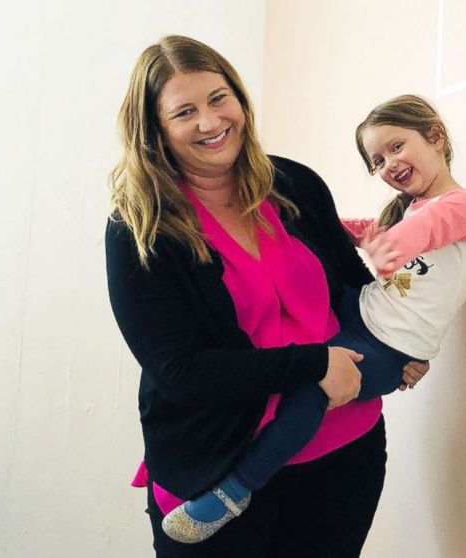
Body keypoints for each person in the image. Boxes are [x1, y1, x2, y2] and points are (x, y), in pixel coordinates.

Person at [105, 35, 429, 557]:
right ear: (155, 129)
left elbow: (352, 288)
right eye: (184, 111)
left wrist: (407, 342)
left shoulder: (294, 184)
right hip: (217, 467)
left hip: (342, 452)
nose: (210, 122)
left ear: (239, 98)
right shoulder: (140, 227)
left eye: (218, 98)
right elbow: (181, 371)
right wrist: (312, 363)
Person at [160, 94, 466, 544]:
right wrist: (314, 219)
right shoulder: (413, 207)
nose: (388, 164)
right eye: (377, 160)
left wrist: (382, 251)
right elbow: (361, 234)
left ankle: (233, 491)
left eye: (396, 147)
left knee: (314, 388)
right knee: (316, 292)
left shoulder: (461, 205)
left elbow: (403, 243)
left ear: (435, 135)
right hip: (365, 312)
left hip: (387, 347)